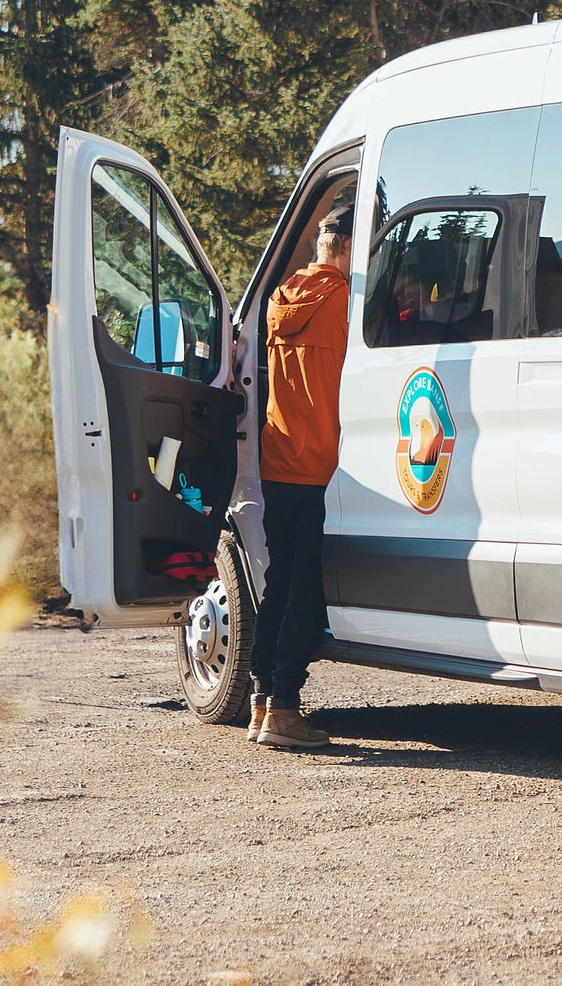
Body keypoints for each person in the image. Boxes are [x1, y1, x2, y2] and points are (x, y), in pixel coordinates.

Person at [250, 200, 352, 749]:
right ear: (347, 249)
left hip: (278, 461)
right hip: (320, 465)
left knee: (277, 583)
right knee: (306, 593)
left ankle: (262, 701)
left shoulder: (279, 299)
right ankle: (286, 707)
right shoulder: (342, 303)